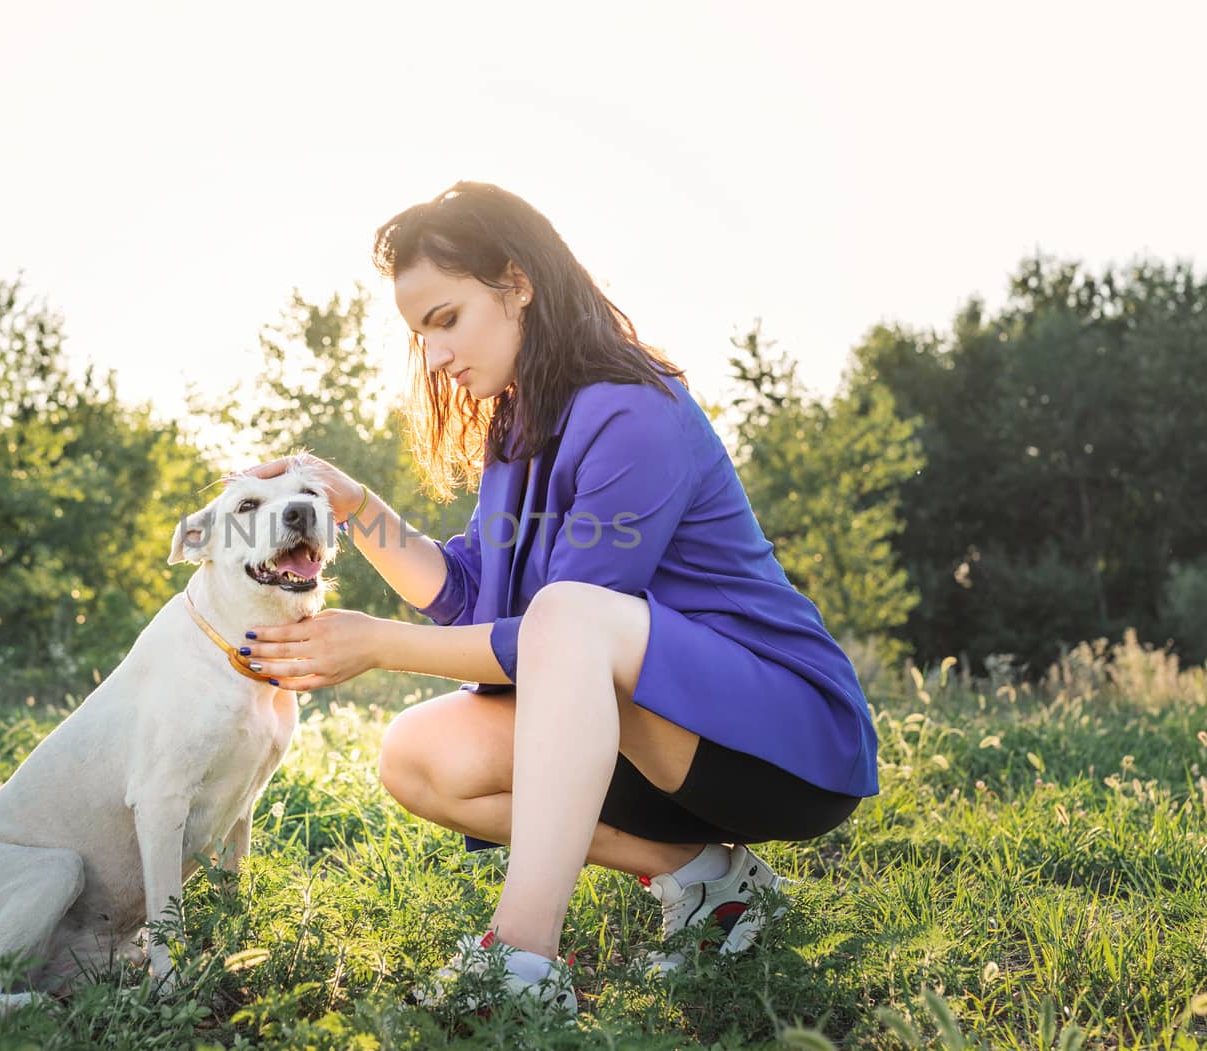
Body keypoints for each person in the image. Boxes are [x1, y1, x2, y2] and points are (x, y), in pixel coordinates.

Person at [236, 180, 879, 1014]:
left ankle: (523, 960)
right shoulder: (518, 425)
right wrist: (357, 505)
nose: (434, 358)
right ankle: (711, 881)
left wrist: (375, 642)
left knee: (569, 618)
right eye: (419, 335)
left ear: (518, 280)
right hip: (643, 734)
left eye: (446, 321)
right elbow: (471, 593)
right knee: (417, 753)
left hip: (781, 743)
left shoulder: (635, 411)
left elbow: (559, 634)